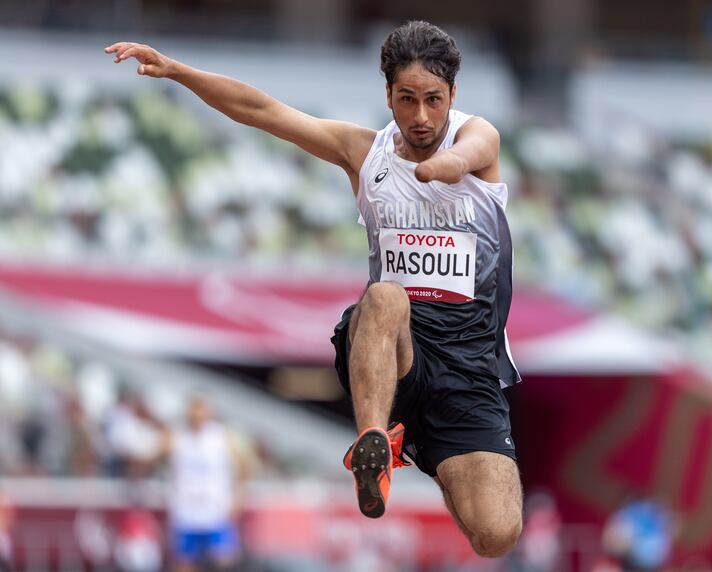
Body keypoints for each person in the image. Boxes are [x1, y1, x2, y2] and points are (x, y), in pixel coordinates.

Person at [106, 19, 523, 557]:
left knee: (495, 534)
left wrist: (440, 167)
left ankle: (427, 452)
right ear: (388, 95)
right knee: (385, 295)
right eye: (406, 99)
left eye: (433, 100)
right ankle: (375, 441)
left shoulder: (479, 137)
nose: (421, 116)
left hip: (467, 369)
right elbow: (263, 111)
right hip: (391, 352)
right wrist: (179, 71)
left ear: (453, 96)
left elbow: (467, 154)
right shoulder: (363, 153)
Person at [160, 396, 246, 571]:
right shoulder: (177, 436)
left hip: (215, 512)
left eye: (201, 411)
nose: (197, 415)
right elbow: (158, 455)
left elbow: (243, 468)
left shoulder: (221, 437)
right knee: (185, 564)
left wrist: (237, 498)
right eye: (194, 410)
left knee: (224, 562)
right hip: (186, 513)